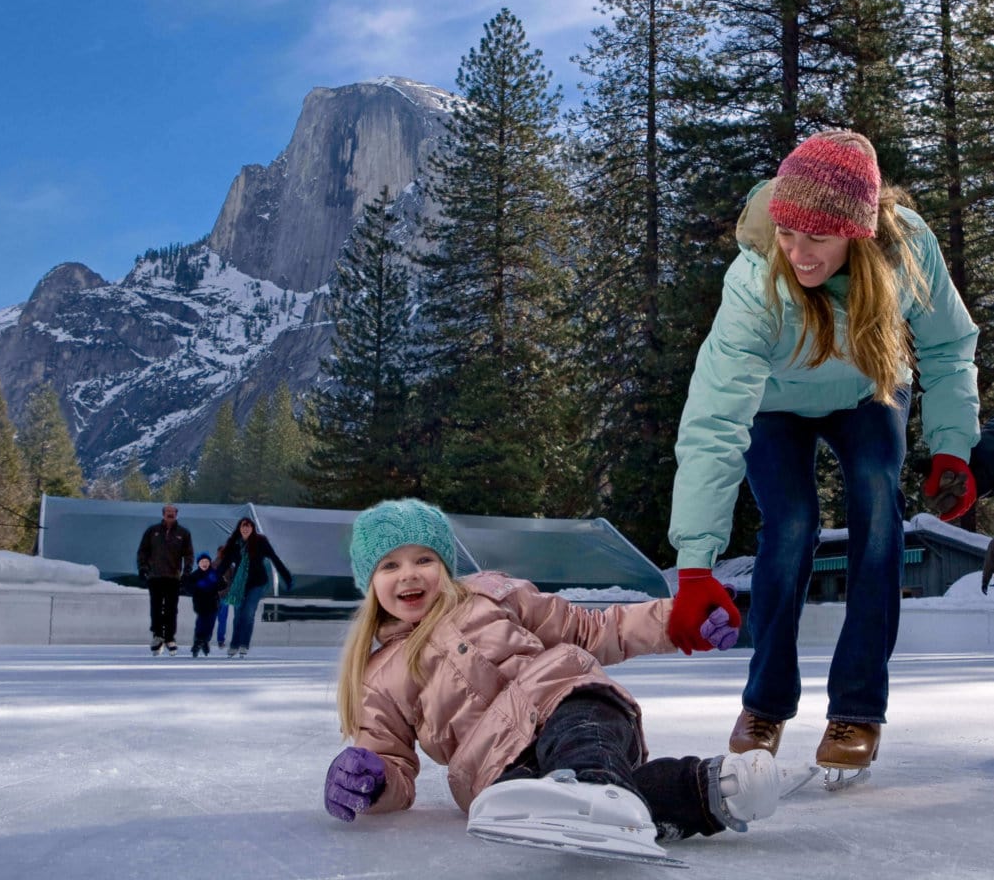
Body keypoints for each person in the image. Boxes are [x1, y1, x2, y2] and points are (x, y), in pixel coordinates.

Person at [666, 131, 980, 781]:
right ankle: (764, 704)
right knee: (789, 525)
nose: (797, 253)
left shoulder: (904, 249)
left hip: (868, 385)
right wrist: (694, 564)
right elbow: (713, 417)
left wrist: (953, 446)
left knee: (874, 501)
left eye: (817, 238)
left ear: (857, 235)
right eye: (787, 233)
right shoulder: (755, 277)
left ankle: (857, 709)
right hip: (773, 403)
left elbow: (949, 349)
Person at [324, 498, 806, 861]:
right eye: (390, 565)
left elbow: (591, 630)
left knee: (581, 740)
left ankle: (596, 789)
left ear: (445, 566)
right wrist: (371, 781)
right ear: (369, 582)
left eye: (423, 559)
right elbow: (392, 764)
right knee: (552, 797)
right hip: (496, 767)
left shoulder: (491, 594)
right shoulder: (378, 676)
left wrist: (674, 619)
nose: (409, 575)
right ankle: (708, 789)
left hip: (567, 701)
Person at [217, 517, 293, 658]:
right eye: (243, 526)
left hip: (257, 583)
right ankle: (234, 644)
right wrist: (212, 579)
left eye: (248, 526)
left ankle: (244, 644)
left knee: (248, 614)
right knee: (238, 615)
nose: (245, 529)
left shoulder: (260, 542)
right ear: (239, 529)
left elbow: (274, 558)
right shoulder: (234, 544)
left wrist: (286, 577)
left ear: (252, 528)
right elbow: (224, 564)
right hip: (239, 585)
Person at [136, 504, 194, 655]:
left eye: (172, 512)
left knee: (171, 609)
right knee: (155, 607)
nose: (170, 514)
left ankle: (169, 637)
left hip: (173, 576)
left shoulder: (183, 533)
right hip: (155, 576)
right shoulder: (152, 531)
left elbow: (188, 555)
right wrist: (142, 567)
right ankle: (157, 635)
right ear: (163, 514)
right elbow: (143, 551)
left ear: (176, 514)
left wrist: (187, 571)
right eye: (167, 512)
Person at [183, 551, 228, 657]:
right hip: (200, 603)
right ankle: (198, 642)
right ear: (198, 563)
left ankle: (205, 641)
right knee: (201, 622)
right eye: (202, 561)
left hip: (213, 603)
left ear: (209, 563)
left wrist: (216, 582)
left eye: (206, 561)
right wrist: (197, 587)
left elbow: (223, 584)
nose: (204, 563)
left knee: (210, 623)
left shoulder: (214, 573)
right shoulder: (195, 575)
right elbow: (188, 588)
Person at [213, 545, 230, 648]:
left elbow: (232, 581)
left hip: (223, 597)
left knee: (221, 620)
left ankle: (220, 640)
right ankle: (218, 640)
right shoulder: (212, 565)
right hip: (216, 597)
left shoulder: (228, 566)